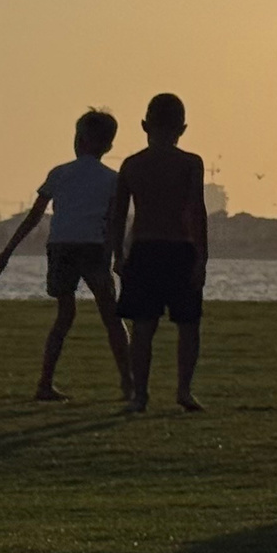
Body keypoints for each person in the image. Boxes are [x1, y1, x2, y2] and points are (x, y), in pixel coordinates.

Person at [0, 109, 134, 402]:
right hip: (93, 248)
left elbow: (34, 217)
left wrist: (6, 253)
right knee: (111, 316)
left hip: (61, 247)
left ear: (79, 139)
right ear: (109, 146)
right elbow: (116, 222)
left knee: (64, 316)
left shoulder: (59, 173)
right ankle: (128, 384)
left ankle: (45, 383)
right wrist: (119, 256)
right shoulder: (112, 179)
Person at [108, 92, 209, 413]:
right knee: (188, 326)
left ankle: (141, 394)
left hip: (145, 249)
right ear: (183, 128)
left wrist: (118, 255)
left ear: (144, 125)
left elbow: (118, 215)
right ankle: (183, 390)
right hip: (180, 248)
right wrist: (202, 258)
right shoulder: (190, 163)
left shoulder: (133, 164)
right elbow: (197, 212)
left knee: (143, 327)